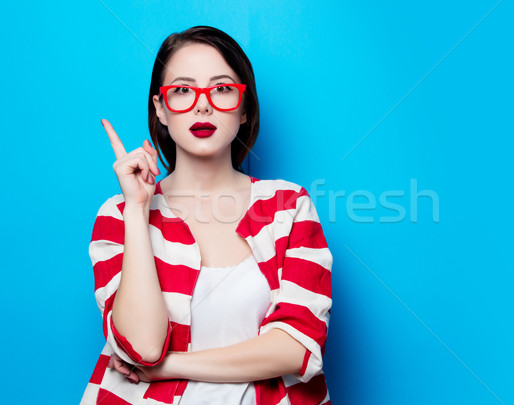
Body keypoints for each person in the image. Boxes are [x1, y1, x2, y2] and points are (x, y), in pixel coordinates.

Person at [80, 26, 333, 405]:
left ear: (244, 109)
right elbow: (143, 347)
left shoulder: (288, 205)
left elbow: (296, 348)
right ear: (160, 109)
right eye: (182, 90)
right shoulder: (119, 214)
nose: (202, 105)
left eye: (222, 88)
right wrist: (137, 208)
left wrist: (170, 367)